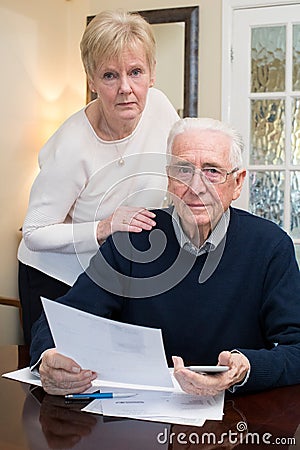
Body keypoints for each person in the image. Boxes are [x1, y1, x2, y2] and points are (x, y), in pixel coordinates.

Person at [30, 117, 300, 396]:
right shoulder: (134, 238)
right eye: (183, 170)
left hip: (239, 416)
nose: (196, 186)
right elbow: (62, 318)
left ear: (237, 183)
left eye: (212, 171)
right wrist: (47, 358)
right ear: (169, 179)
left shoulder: (270, 246)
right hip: (141, 416)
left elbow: (297, 349)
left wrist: (245, 368)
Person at [18, 10, 179, 345]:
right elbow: (34, 232)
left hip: (113, 271)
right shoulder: (72, 146)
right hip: (55, 275)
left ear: (151, 74)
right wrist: (103, 227)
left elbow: (175, 170)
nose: (126, 89)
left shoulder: (161, 108)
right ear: (91, 81)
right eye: (109, 75)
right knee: (58, 378)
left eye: (136, 72)